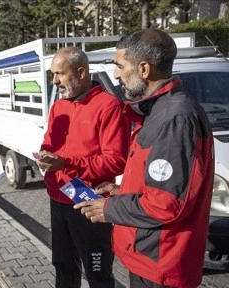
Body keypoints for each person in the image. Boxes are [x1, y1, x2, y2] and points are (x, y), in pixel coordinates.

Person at [74, 28, 214, 288]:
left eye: (120, 66)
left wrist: (108, 209)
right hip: (150, 259)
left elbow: (166, 203)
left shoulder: (174, 118)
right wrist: (121, 191)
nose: (116, 75)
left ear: (144, 69)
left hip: (161, 265)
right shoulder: (158, 112)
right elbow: (160, 185)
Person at [35, 47, 130, 288]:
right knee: (64, 266)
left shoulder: (109, 106)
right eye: (52, 74)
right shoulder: (59, 106)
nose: (54, 81)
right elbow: (49, 143)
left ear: (81, 72)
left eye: (59, 74)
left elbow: (116, 161)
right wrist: (45, 157)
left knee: (97, 273)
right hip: (58, 198)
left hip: (90, 202)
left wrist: (66, 163)